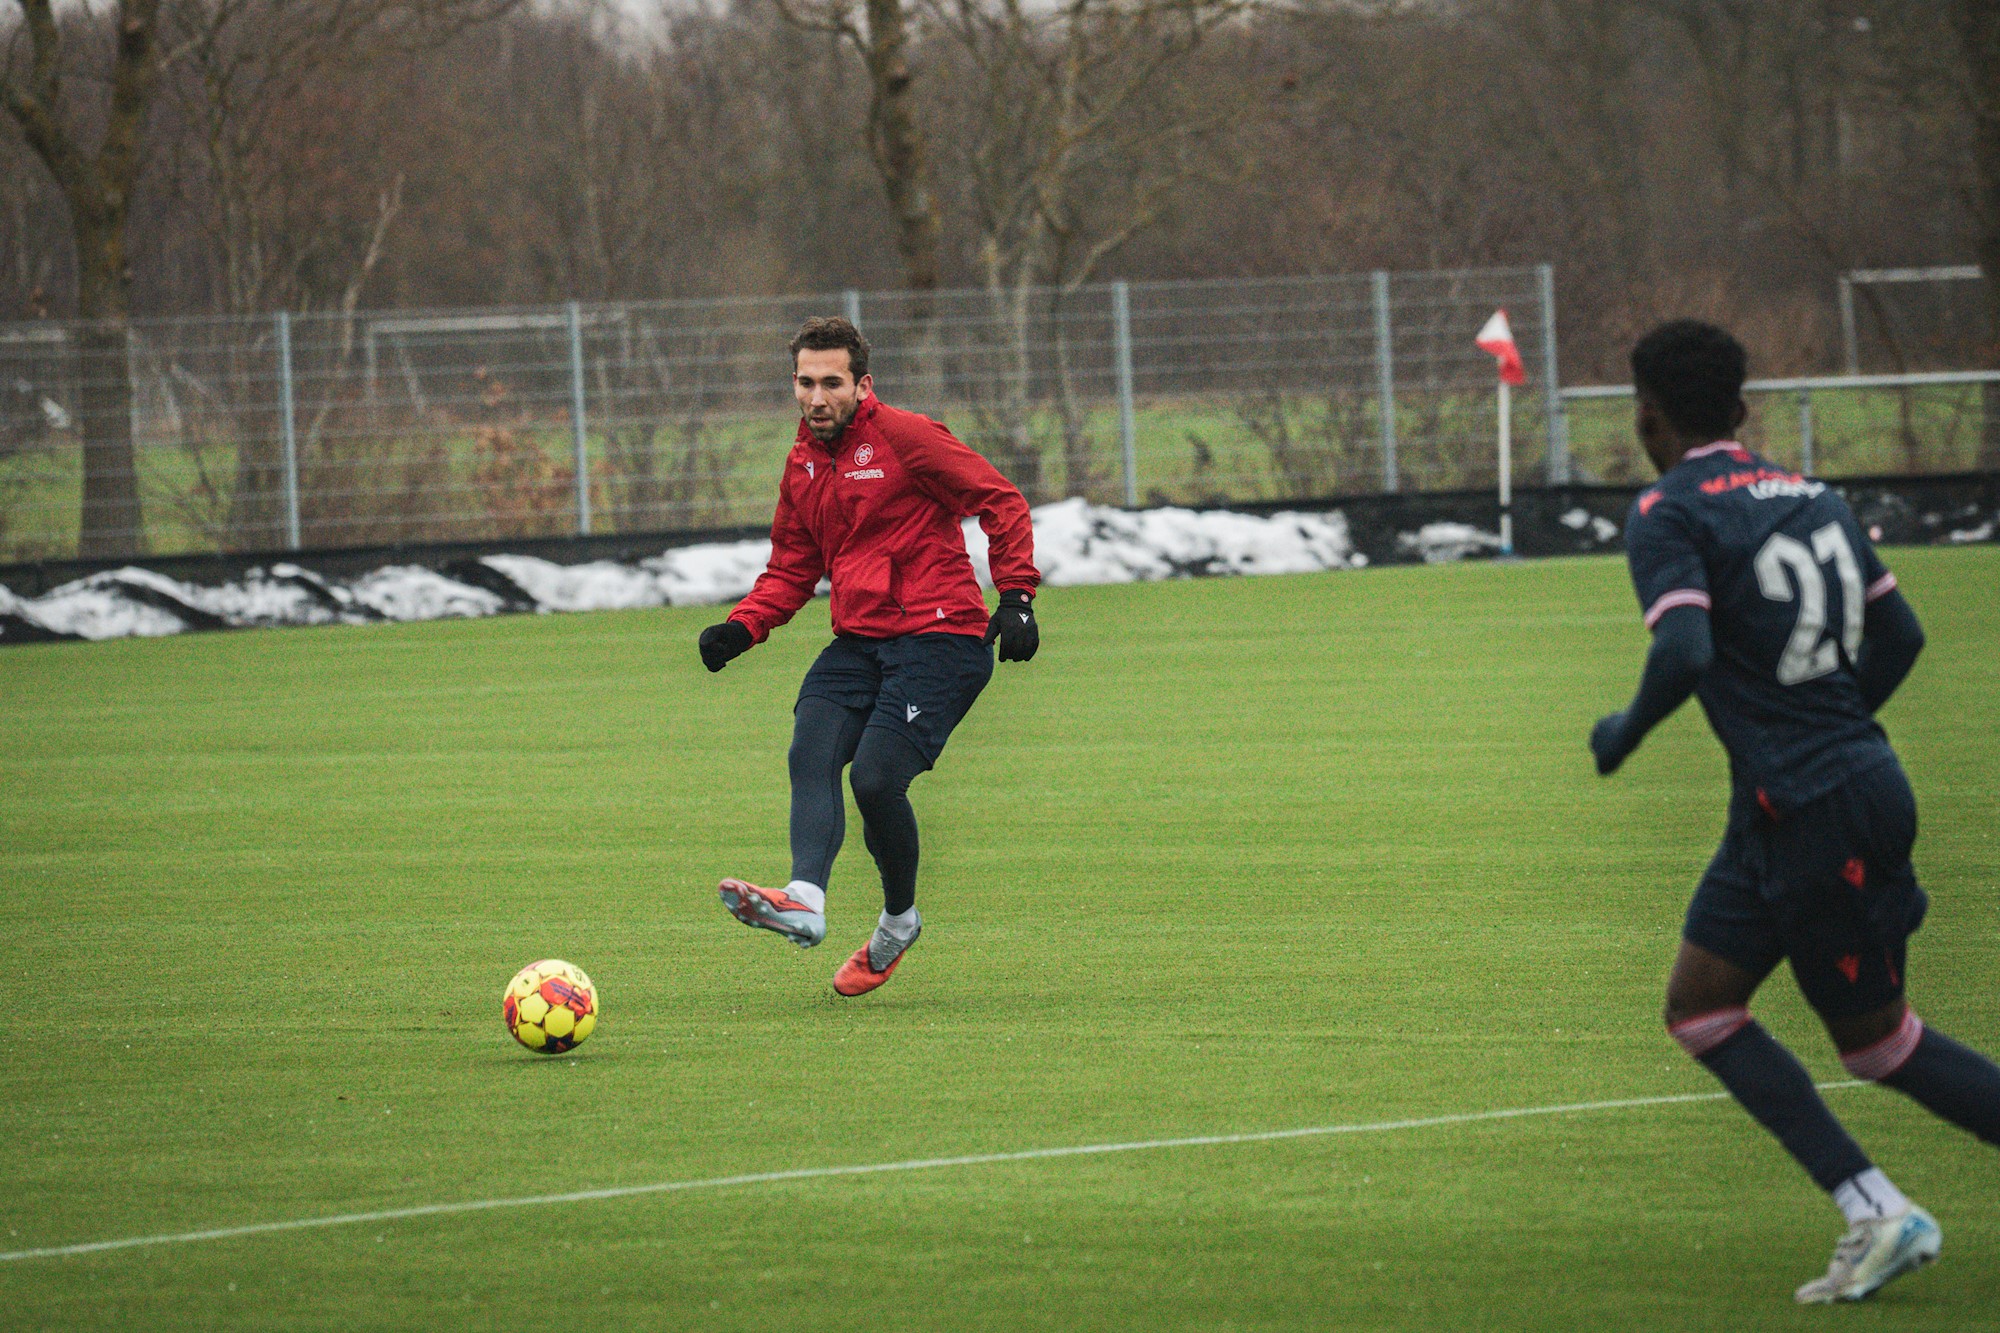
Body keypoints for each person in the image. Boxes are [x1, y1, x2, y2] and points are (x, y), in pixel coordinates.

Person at [1591, 320, 2000, 1303]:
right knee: (1699, 1007)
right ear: (1740, 409)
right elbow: (1900, 634)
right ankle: (1874, 1210)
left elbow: (1684, 650)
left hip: (1813, 806)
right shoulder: (1815, 496)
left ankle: (1881, 1216)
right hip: (1801, 798)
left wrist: (1623, 732)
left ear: (1645, 414)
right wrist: (1831, 728)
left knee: (1879, 1043)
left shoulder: (1667, 511)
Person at [698, 315, 1040, 996]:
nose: (816, 397)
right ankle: (805, 899)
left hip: (942, 637)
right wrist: (741, 628)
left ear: (862, 385)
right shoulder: (802, 464)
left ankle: (898, 922)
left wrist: (1017, 595)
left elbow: (1000, 500)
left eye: (831, 383)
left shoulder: (908, 437)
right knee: (811, 746)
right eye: (805, 382)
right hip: (860, 641)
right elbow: (792, 567)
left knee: (877, 780)